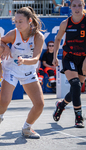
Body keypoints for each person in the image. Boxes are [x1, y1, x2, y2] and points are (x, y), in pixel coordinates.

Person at [0, 6, 45, 139]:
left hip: (28, 70)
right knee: (4, 101)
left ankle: (27, 128)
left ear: (29, 20)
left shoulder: (38, 37)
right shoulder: (13, 34)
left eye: (21, 21)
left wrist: (24, 61)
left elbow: (36, 58)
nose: (18, 24)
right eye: (16, 21)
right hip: (11, 70)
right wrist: (5, 47)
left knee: (40, 104)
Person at [52, 0, 85, 128]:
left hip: (84, 58)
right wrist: (55, 56)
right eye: (74, 5)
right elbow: (58, 39)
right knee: (76, 85)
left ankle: (61, 105)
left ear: (83, 6)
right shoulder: (65, 23)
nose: (77, 8)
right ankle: (78, 117)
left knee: (75, 90)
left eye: (80, 5)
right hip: (69, 57)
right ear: (70, 7)